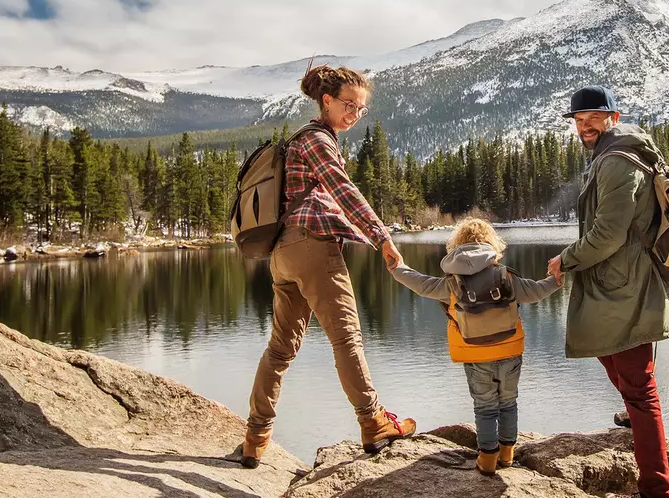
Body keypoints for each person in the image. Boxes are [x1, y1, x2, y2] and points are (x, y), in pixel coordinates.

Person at [240, 65, 416, 468]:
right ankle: (373, 422)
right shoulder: (319, 140)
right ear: (327, 101)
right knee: (346, 337)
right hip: (312, 249)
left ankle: (256, 435)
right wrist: (381, 236)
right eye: (348, 105)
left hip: (283, 254)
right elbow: (342, 188)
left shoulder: (302, 138)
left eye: (361, 109)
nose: (354, 114)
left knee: (281, 348)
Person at [546, 85, 669, 498]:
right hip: (619, 283)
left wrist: (565, 259)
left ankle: (658, 488)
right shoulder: (612, 155)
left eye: (593, 120)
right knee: (610, 355)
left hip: (627, 286)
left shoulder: (618, 163)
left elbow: (607, 234)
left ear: (612, 118)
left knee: (641, 388)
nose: (585, 127)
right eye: (579, 121)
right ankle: (635, 420)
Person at [390, 218, 560, 474]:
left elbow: (421, 284)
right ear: (492, 244)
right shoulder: (505, 276)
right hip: (510, 351)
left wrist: (397, 268)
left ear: (457, 246)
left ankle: (487, 458)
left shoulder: (452, 282)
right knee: (508, 403)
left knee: (485, 406)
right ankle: (507, 454)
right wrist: (556, 280)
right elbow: (535, 292)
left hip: (475, 354)